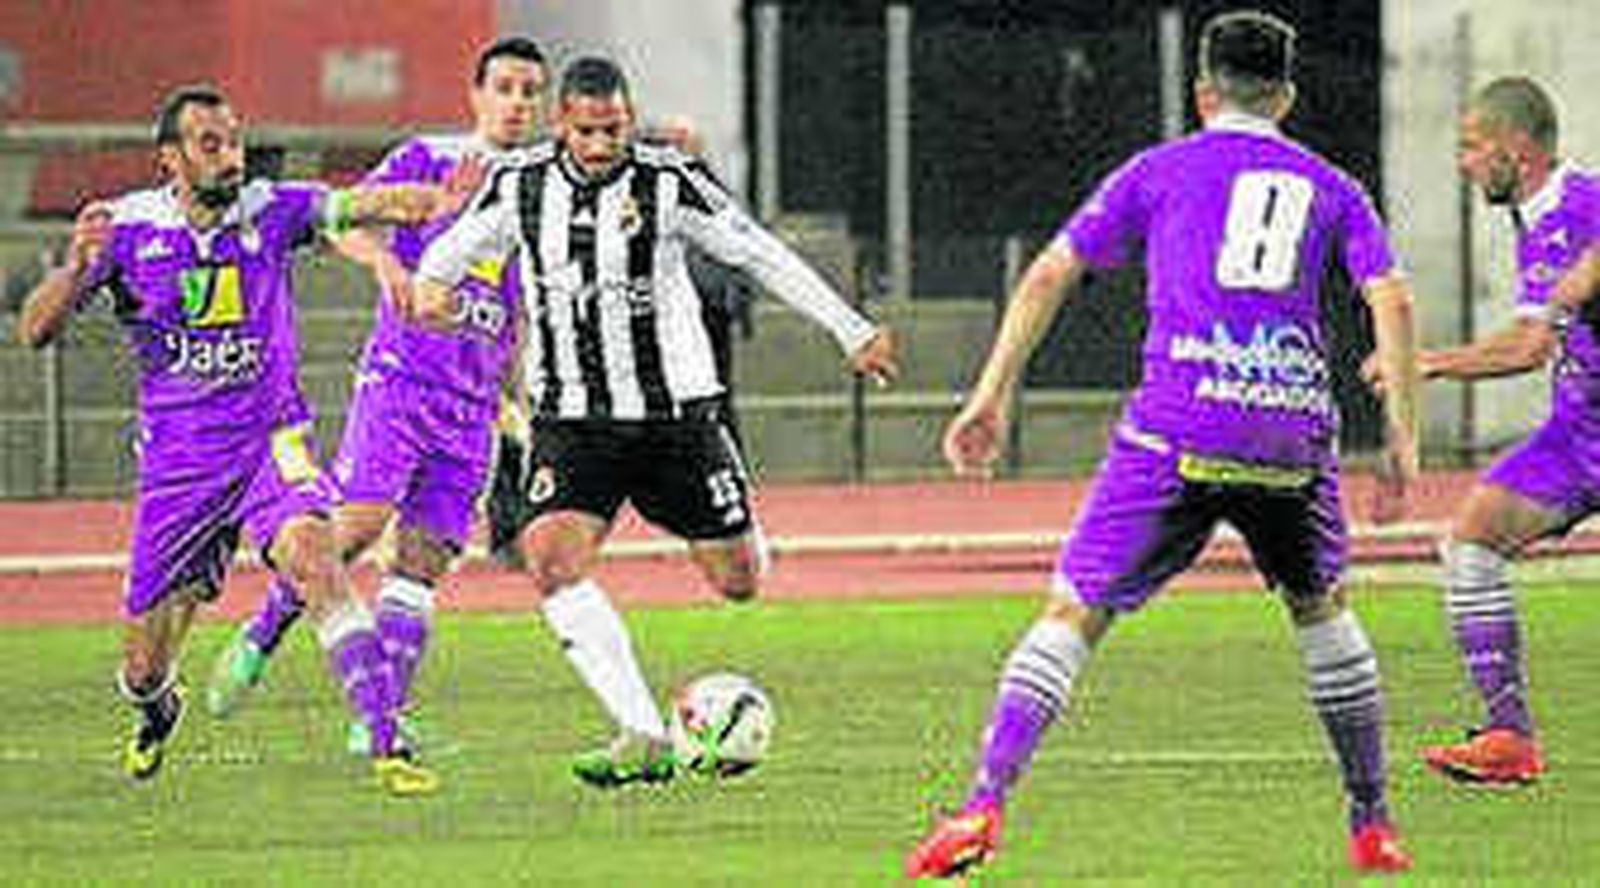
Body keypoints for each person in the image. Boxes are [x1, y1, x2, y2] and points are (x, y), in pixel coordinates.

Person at [904, 10, 1420, 878]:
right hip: (1288, 432)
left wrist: (990, 394)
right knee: (1323, 610)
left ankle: (982, 805)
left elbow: (1051, 270)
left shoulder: (1158, 169)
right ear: (1286, 97)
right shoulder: (1332, 186)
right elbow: (1392, 299)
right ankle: (1373, 823)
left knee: (1074, 611)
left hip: (1178, 426)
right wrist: (1402, 437)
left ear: (1203, 92)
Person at [411, 55, 898, 787]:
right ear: (561, 124)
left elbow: (759, 252)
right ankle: (640, 732)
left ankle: (735, 521)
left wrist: (851, 329)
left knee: (738, 580)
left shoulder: (669, 181)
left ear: (629, 120)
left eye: (613, 130)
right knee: (549, 560)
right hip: (573, 420)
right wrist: (429, 290)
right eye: (586, 131)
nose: (601, 145)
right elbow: (444, 259)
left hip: (675, 419)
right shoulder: (518, 185)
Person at [14, 84, 473, 794]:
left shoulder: (270, 209)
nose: (230, 156)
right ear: (170, 159)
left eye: (233, 141)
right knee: (142, 667)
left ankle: (388, 742)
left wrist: (425, 201)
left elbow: (353, 205)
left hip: (270, 443)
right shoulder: (126, 230)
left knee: (316, 561)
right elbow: (34, 331)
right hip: (180, 467)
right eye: (210, 144)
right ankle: (157, 707)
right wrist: (76, 268)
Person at [204, 37, 550, 755]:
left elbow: (517, 306)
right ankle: (262, 631)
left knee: (423, 561)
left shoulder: (543, 186)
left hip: (472, 406)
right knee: (354, 530)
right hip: (402, 381)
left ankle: (377, 721)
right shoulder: (429, 156)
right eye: (505, 88)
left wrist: (516, 398)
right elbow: (341, 222)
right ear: (477, 95)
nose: (518, 103)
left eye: (529, 91)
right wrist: (387, 264)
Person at [1386, 76, 1596, 786]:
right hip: (1581, 432)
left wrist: (1425, 363)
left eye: (1473, 147)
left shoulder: (1575, 208)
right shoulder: (1543, 216)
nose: (1464, 162)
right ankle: (1508, 737)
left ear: (1516, 149)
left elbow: (1529, 347)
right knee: (1472, 541)